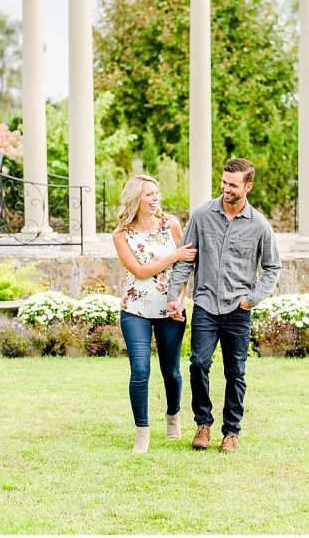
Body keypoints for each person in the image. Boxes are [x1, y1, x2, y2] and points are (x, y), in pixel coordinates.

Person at [167, 157, 281, 454]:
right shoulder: (203, 215)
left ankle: (231, 432)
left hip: (238, 309)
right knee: (198, 364)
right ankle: (203, 424)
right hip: (205, 303)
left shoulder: (259, 225)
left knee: (235, 372)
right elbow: (185, 259)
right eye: (224, 182)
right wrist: (172, 295)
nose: (225, 188)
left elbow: (272, 268)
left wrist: (251, 299)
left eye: (232, 184)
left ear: (248, 186)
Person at [113, 174, 196, 454]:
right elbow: (140, 271)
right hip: (135, 310)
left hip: (169, 311)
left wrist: (179, 300)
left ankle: (173, 416)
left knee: (170, 371)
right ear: (135, 198)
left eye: (156, 193)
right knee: (139, 371)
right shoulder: (122, 235)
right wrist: (174, 256)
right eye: (149, 194)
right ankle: (142, 432)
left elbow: (185, 270)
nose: (155, 198)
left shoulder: (171, 225)